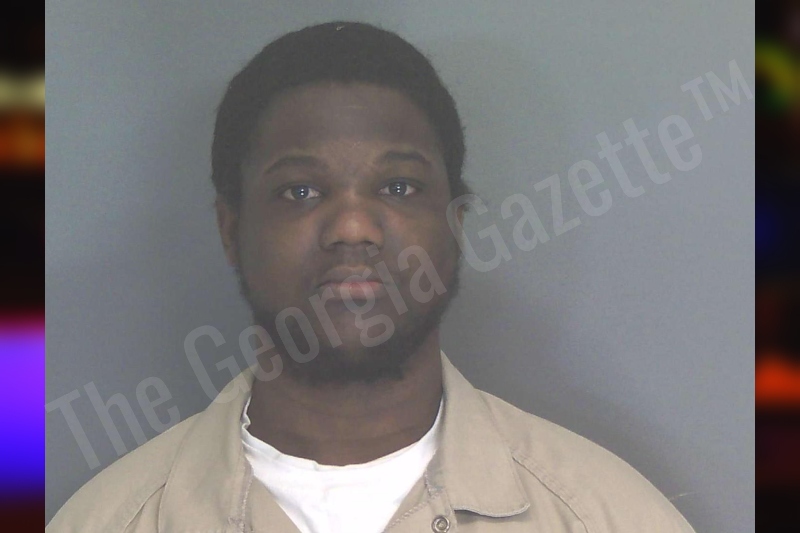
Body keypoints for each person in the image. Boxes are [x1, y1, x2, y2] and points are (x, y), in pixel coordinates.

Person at [47, 21, 696, 533]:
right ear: (231, 229)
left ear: (455, 224)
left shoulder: (606, 516)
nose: (353, 227)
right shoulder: (108, 521)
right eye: (300, 190)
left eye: (399, 186)